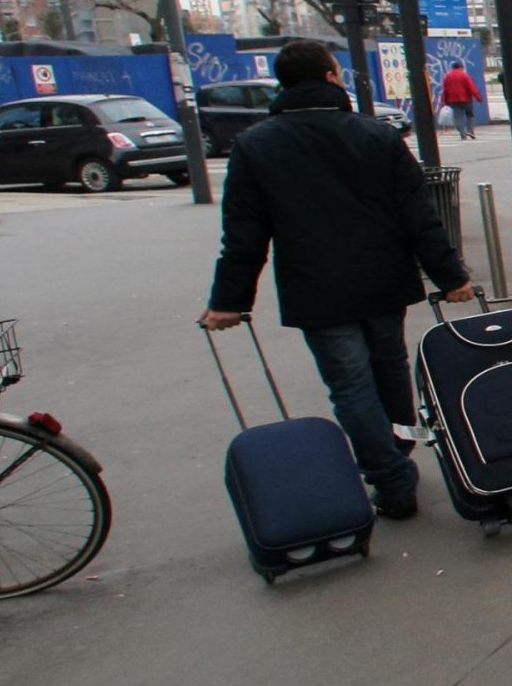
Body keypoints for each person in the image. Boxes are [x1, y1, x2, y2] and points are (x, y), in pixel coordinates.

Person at [200, 40, 473, 520]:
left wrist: (228, 301)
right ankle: (396, 457)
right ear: (330, 77)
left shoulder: (256, 145)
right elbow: (419, 216)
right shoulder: (376, 135)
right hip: (383, 277)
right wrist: (449, 276)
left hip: (316, 286)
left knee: (350, 385)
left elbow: (244, 235)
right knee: (389, 369)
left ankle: (390, 476)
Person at [438, 62, 484, 140]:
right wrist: (479, 99)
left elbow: (445, 90)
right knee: (470, 115)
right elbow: (472, 88)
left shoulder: (447, 76)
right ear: (461, 67)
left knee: (458, 117)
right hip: (466, 99)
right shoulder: (464, 75)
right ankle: (470, 130)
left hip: (453, 101)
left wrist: (445, 102)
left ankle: (463, 134)